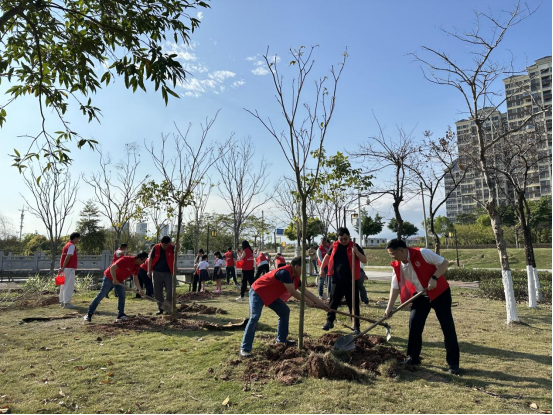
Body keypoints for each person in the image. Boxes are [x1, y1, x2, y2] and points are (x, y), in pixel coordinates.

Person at [384, 239, 460, 375]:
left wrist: (434, 278)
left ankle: (453, 363)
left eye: (393, 254)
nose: (392, 257)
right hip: (420, 296)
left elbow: (444, 263)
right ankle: (413, 358)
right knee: (414, 324)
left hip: (440, 293)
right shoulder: (397, 265)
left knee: (447, 326)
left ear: (401, 250)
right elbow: (395, 287)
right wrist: (389, 308)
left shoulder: (423, 253)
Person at [240, 256, 330, 357]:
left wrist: (322, 304)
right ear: (297, 267)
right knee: (254, 317)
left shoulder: (295, 278)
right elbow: (293, 292)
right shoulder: (284, 273)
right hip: (258, 291)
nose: (304, 271)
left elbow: (306, 292)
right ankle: (245, 348)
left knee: (284, 311)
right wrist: (308, 301)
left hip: (271, 295)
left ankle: (281, 341)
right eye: (303, 268)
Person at [319, 228, 367, 335]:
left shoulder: (355, 246)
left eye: (346, 238)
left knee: (353, 304)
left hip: (351, 281)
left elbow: (364, 260)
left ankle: (356, 326)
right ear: (338, 238)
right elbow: (327, 257)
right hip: (337, 280)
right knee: (333, 302)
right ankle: (329, 321)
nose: (344, 241)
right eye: (341, 239)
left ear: (349, 237)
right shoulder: (334, 246)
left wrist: (356, 252)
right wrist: (321, 269)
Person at [83, 252, 148, 323]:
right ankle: (89, 314)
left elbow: (135, 279)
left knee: (122, 295)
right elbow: (112, 267)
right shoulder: (125, 260)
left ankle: (120, 315)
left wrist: (140, 290)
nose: (143, 263)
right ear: (139, 259)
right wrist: (114, 279)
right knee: (101, 295)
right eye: (143, 261)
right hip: (109, 277)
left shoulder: (137, 266)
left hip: (119, 280)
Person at [148, 236, 175, 316]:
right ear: (161, 243)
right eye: (164, 245)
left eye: (167, 245)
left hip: (168, 273)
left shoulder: (172, 247)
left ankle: (167, 308)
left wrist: (177, 247)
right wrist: (149, 270)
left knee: (170, 291)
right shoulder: (156, 248)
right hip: (156, 272)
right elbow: (150, 259)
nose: (165, 247)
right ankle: (160, 309)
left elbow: (177, 251)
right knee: (157, 292)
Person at [58, 232, 81, 309]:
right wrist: (63, 267)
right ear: (75, 238)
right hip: (69, 268)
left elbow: (62, 257)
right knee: (68, 286)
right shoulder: (71, 246)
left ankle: (62, 301)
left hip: (64, 268)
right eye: (78, 238)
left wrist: (61, 267)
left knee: (63, 285)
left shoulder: (66, 245)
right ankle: (67, 303)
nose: (78, 240)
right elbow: (68, 257)